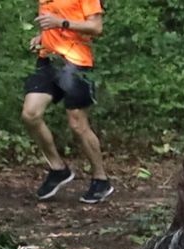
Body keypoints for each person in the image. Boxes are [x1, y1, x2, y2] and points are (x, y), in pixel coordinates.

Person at [22, 0, 114, 203]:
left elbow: (96, 27)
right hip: (48, 59)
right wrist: (43, 36)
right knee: (30, 114)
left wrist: (60, 22)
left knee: (78, 124)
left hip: (76, 61)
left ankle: (101, 179)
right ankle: (58, 169)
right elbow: (50, 23)